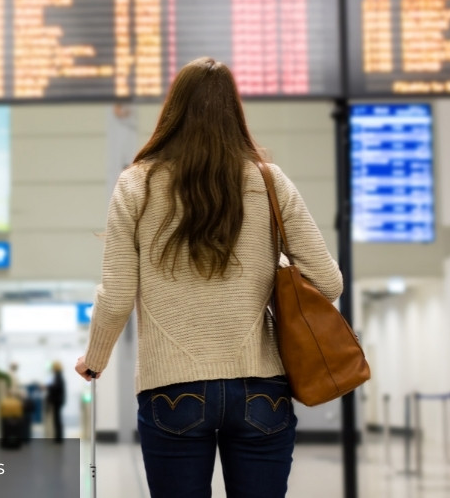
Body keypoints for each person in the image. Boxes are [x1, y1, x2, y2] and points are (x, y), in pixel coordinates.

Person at [74, 57, 343, 497]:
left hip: (171, 390)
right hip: (263, 389)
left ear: (173, 111)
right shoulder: (269, 181)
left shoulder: (136, 184)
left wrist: (95, 360)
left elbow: (118, 293)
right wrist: (265, 263)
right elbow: (329, 282)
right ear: (234, 112)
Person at [45, 361, 65, 443]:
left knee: (57, 419)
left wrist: (47, 387)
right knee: (57, 419)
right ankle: (58, 437)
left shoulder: (58, 376)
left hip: (57, 401)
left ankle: (58, 438)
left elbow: (56, 387)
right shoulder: (58, 376)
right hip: (58, 400)